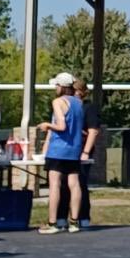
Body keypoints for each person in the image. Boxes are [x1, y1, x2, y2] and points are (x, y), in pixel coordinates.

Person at [37, 72, 84, 234]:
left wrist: (47, 125)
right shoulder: (78, 103)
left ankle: (52, 222)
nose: (55, 88)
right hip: (74, 148)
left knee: (54, 184)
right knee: (74, 183)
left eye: (56, 85)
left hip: (58, 149)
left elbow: (62, 126)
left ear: (62, 87)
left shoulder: (58, 102)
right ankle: (74, 221)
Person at [56, 78, 100, 228]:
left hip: (81, 150)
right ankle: (61, 216)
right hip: (66, 149)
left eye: (73, 90)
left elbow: (93, 131)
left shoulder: (88, 108)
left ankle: (83, 217)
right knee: (62, 183)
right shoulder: (64, 105)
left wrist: (86, 151)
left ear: (80, 92)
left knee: (79, 183)